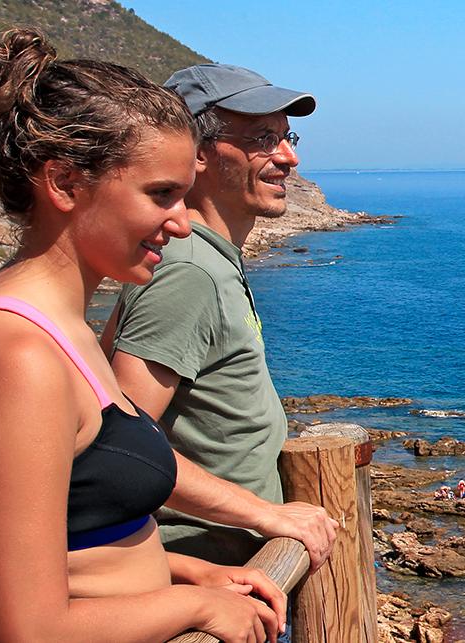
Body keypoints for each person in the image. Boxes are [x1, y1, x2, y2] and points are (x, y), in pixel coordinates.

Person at [0, 29, 285, 642]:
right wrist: (195, 609)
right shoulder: (16, 357)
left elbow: (77, 541)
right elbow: (30, 630)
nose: (179, 223)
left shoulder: (59, 327)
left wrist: (186, 571)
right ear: (65, 183)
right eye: (161, 195)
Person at [100, 63, 337, 570]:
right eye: (262, 138)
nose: (289, 157)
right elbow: (119, 439)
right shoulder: (190, 272)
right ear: (196, 154)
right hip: (201, 577)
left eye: (286, 136)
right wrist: (265, 515)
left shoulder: (202, 260)